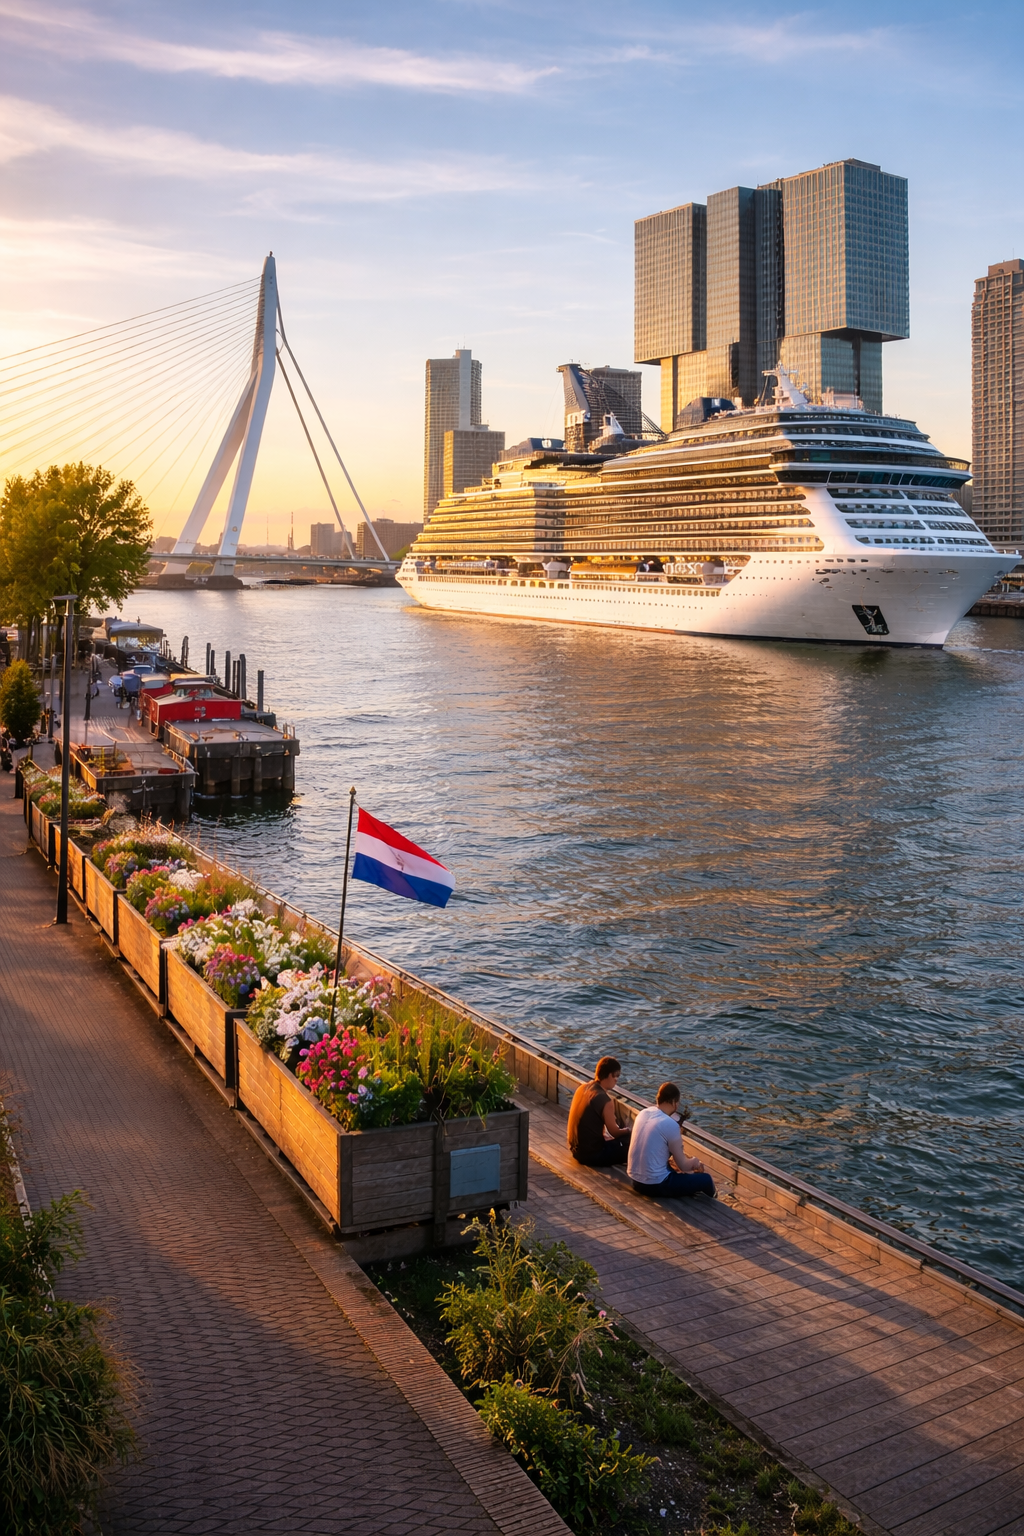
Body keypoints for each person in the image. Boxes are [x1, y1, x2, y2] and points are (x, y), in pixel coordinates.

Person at [628, 1082, 715, 1198]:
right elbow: (683, 1166)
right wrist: (695, 1161)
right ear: (674, 1103)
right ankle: (714, 1200)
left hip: (634, 1180)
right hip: (655, 1185)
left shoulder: (644, 1113)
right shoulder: (670, 1124)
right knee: (706, 1180)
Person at [567, 1057, 632, 1167]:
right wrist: (629, 1130)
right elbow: (614, 1132)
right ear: (610, 1075)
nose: (616, 1080)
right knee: (632, 1145)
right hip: (591, 1155)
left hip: (575, 1150)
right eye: (616, 1076)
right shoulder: (605, 1100)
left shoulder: (582, 1088)